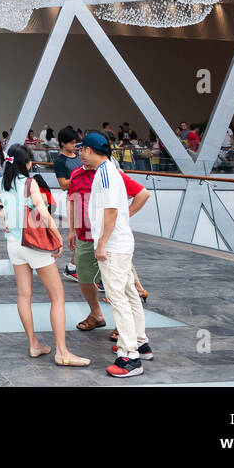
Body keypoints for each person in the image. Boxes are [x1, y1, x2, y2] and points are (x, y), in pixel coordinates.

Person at [0, 144, 90, 367]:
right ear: (26, 163)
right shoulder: (30, 184)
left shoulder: (2, 183)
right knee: (57, 297)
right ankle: (62, 351)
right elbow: (44, 213)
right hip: (35, 245)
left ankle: (33, 344)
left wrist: (2, 214)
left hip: (14, 245)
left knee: (24, 295)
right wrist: (58, 237)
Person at [77, 132, 150, 379]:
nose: (79, 154)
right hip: (120, 243)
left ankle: (129, 356)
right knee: (129, 293)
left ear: (89, 150)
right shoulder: (110, 170)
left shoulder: (106, 173)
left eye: (82, 150)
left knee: (117, 297)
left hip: (113, 246)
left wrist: (103, 243)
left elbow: (109, 210)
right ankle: (140, 342)